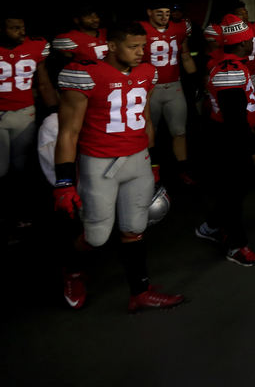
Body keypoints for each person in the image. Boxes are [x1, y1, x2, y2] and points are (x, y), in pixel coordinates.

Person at [53, 21, 185, 311]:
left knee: (135, 227)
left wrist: (154, 162)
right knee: (97, 235)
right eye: (133, 46)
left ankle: (140, 290)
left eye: (143, 46)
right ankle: (72, 271)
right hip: (100, 163)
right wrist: (63, 181)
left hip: (138, 158)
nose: (140, 52)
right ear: (111, 45)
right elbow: (68, 132)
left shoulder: (147, 72)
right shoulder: (85, 73)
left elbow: (147, 119)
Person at [194, 14, 255, 266]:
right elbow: (234, 118)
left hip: (229, 135)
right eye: (250, 40)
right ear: (244, 43)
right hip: (229, 138)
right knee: (234, 192)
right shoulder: (229, 70)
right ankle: (236, 245)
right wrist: (252, 145)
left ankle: (212, 225)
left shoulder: (232, 64)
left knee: (236, 188)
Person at [1, 14, 58, 228]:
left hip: (24, 113)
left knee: (21, 166)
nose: (21, 32)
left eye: (22, 27)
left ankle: (19, 212)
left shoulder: (36, 46)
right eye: (14, 28)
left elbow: (43, 82)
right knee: (1, 169)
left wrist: (54, 110)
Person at [139, 1, 197, 185]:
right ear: (149, 12)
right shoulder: (140, 29)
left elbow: (185, 55)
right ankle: (151, 169)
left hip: (174, 85)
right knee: (149, 131)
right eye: (159, 13)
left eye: (167, 13)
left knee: (179, 131)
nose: (165, 17)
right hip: (150, 88)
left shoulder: (179, 28)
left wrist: (195, 80)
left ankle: (183, 169)